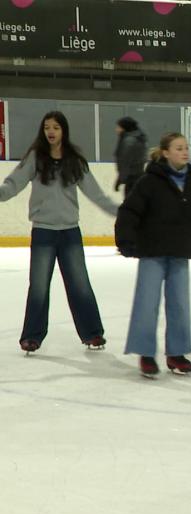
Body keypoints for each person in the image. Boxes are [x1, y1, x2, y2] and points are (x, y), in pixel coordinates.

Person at [115, 133, 191, 378]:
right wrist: (126, 240)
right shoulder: (149, 181)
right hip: (152, 252)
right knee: (147, 304)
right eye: (178, 148)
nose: (184, 151)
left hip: (180, 251)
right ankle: (146, 354)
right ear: (166, 152)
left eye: (186, 147)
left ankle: (176, 353)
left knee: (179, 304)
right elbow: (130, 211)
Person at [0, 111, 118, 354]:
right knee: (39, 286)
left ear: (63, 130)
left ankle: (92, 333)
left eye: (55, 127)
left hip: (70, 233)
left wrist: (120, 211)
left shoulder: (74, 160)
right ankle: (32, 336)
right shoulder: (35, 157)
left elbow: (95, 193)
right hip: (43, 232)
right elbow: (14, 183)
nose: (51, 132)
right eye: (47, 127)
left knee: (80, 284)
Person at [114, 117, 148, 197]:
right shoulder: (137, 138)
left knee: (131, 201)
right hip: (137, 176)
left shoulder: (129, 142)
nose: (116, 129)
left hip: (132, 179)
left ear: (124, 128)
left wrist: (120, 179)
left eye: (118, 127)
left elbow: (125, 162)